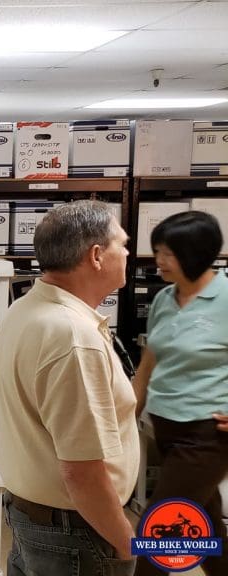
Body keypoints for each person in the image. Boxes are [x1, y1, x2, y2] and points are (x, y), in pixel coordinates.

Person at [0, 200, 138, 576]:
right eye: (121, 243)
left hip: (33, 516)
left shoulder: (24, 310)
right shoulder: (72, 337)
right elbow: (82, 472)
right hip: (77, 533)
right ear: (96, 256)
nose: (128, 251)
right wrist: (124, 541)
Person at [131, 211, 228, 576]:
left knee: (159, 527)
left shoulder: (225, 299)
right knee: (208, 523)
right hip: (165, 429)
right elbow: (147, 365)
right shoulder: (165, 299)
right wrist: (124, 417)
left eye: (168, 253)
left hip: (207, 435)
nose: (159, 261)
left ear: (197, 253)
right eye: (157, 251)